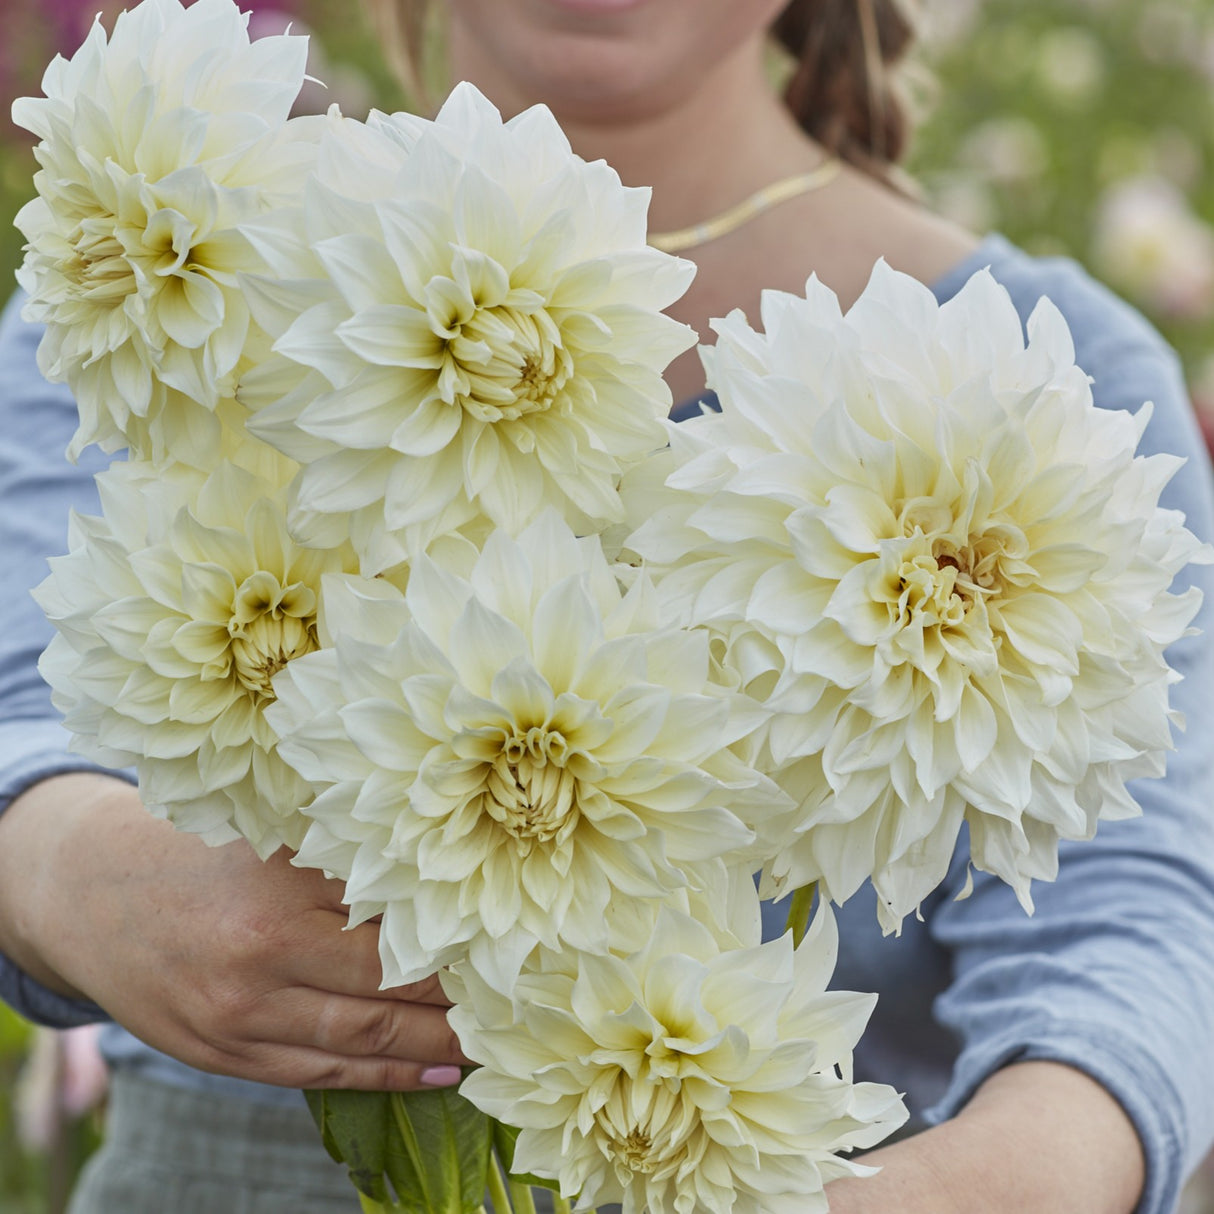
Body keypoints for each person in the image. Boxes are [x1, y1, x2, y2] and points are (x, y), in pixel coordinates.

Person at [2, 0, 1213, 1211]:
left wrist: (955, 1190)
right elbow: (17, 690)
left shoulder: (1062, 384)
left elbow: (1137, 926)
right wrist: (76, 872)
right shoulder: (183, 250)